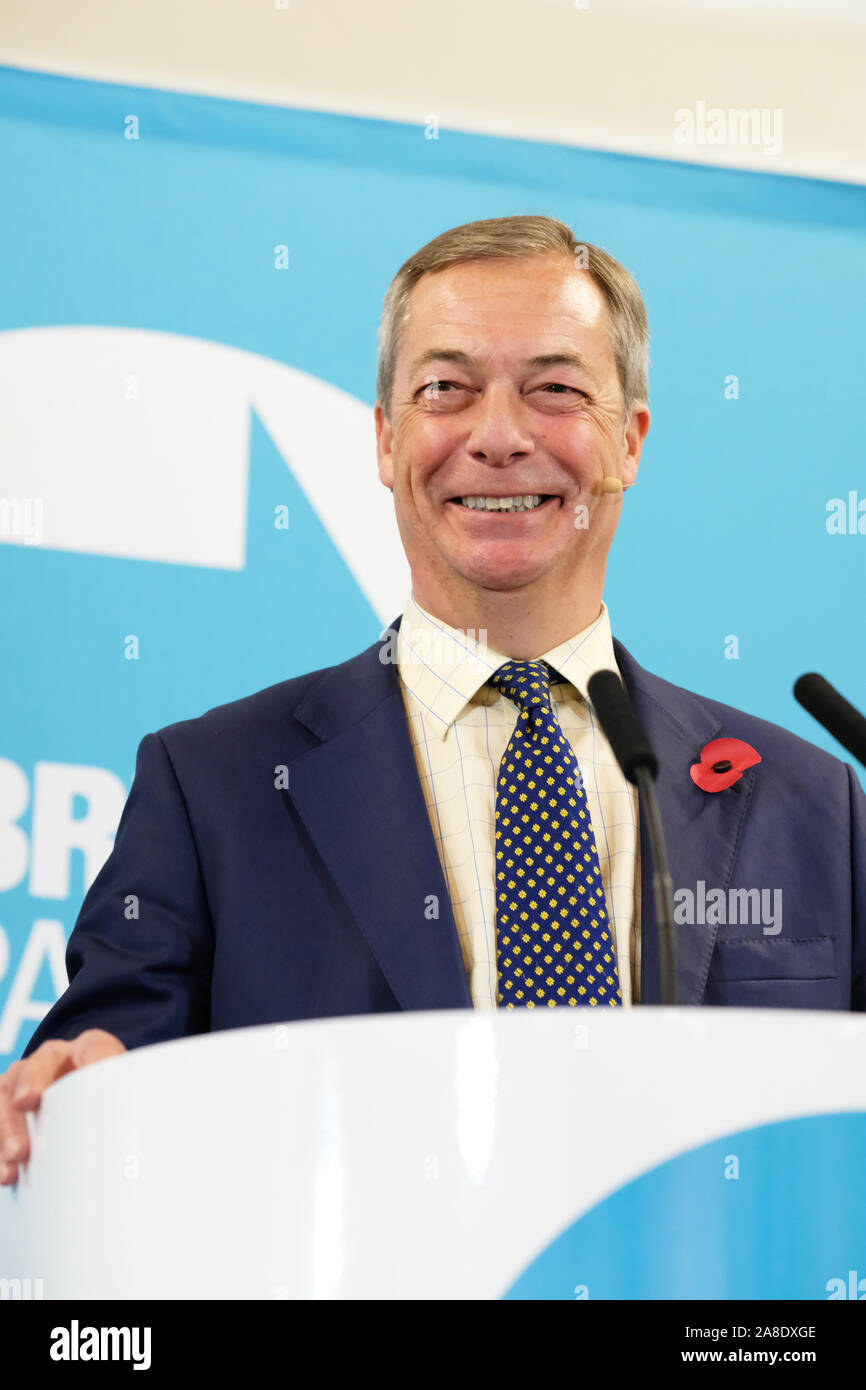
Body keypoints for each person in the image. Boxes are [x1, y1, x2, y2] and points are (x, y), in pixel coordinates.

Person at [2, 214, 864, 1188]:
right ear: (383, 438)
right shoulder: (211, 791)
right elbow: (104, 1068)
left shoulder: (813, 806)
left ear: (629, 439)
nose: (497, 437)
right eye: (445, 389)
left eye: (554, 389)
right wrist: (80, 1089)